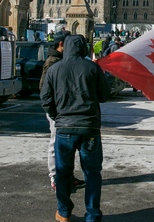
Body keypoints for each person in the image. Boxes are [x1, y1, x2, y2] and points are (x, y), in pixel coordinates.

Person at [41, 34, 111, 222]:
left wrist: (58, 117)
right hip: (89, 129)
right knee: (92, 173)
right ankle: (92, 215)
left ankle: (64, 212)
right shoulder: (93, 68)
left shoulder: (55, 69)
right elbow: (104, 95)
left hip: (64, 130)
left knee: (63, 172)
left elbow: (45, 99)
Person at [39, 30, 85, 192]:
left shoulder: (61, 59)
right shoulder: (53, 62)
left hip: (64, 110)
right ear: (61, 45)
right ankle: (55, 177)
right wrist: (53, 112)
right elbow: (44, 91)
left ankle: (67, 175)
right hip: (57, 111)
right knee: (55, 143)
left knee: (66, 146)